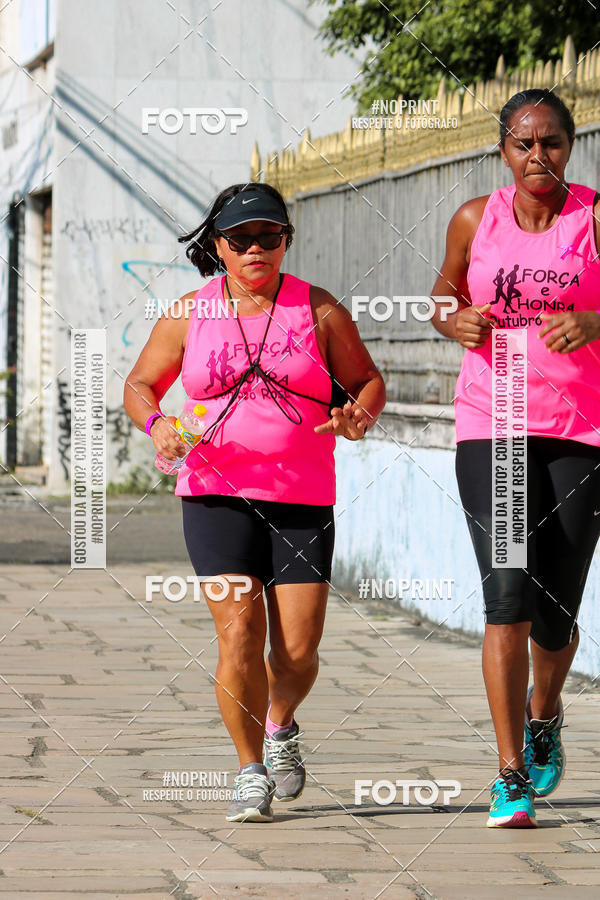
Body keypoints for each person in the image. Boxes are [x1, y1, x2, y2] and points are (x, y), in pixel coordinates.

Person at [123, 183, 386, 823]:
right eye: (240, 239)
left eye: (269, 236)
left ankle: (280, 723)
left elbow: (367, 381)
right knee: (238, 633)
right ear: (218, 246)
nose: (255, 249)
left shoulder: (317, 309)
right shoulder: (190, 312)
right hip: (215, 493)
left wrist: (359, 415)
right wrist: (157, 424)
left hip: (301, 496)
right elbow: (139, 384)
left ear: (287, 240)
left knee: (296, 653)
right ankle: (249, 768)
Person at [431, 88, 600, 828]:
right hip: (492, 425)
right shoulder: (477, 218)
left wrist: (594, 319)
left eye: (553, 143)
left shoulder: (593, 217)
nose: (539, 157)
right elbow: (441, 291)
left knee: (556, 610)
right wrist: (453, 318)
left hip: (580, 431)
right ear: (502, 148)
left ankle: (545, 710)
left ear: (572, 145)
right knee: (508, 595)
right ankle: (508, 775)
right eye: (524, 144)